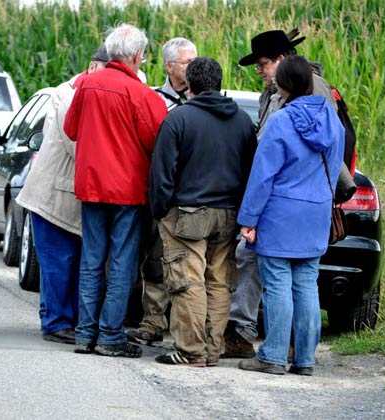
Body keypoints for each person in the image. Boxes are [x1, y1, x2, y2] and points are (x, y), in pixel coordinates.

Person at [223, 29, 338, 358]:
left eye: (263, 65)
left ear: (284, 66)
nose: (260, 72)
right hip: (315, 210)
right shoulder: (328, 118)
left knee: (275, 282)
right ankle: (304, 357)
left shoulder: (281, 120)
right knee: (305, 284)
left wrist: (248, 218)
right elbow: (333, 162)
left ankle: (271, 353)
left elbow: (264, 174)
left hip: (280, 210)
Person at [64, 23, 168, 358]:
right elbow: (156, 141)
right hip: (127, 189)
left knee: (92, 259)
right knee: (122, 262)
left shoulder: (87, 84)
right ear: (136, 56)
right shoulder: (142, 94)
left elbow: (71, 128)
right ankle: (110, 335)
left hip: (92, 184)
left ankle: (85, 333)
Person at [148, 57, 257, 366]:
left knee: (187, 280)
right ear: (219, 83)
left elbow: (161, 173)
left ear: (189, 85)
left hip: (187, 213)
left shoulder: (178, 119)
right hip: (228, 214)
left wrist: (160, 210)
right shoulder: (242, 122)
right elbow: (251, 171)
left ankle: (191, 351)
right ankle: (212, 349)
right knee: (219, 282)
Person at [15, 45, 109, 345]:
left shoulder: (85, 92)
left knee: (70, 261)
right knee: (58, 261)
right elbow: (78, 145)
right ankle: (56, 323)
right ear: (94, 67)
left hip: (67, 196)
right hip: (52, 196)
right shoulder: (69, 96)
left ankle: (65, 320)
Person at [127, 37, 197, 347]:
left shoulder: (203, 99)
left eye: (195, 60)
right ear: (169, 67)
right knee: (154, 258)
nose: (192, 66)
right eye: (186, 62)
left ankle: (185, 326)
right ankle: (152, 320)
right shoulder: (153, 99)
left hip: (192, 194)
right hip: (159, 192)